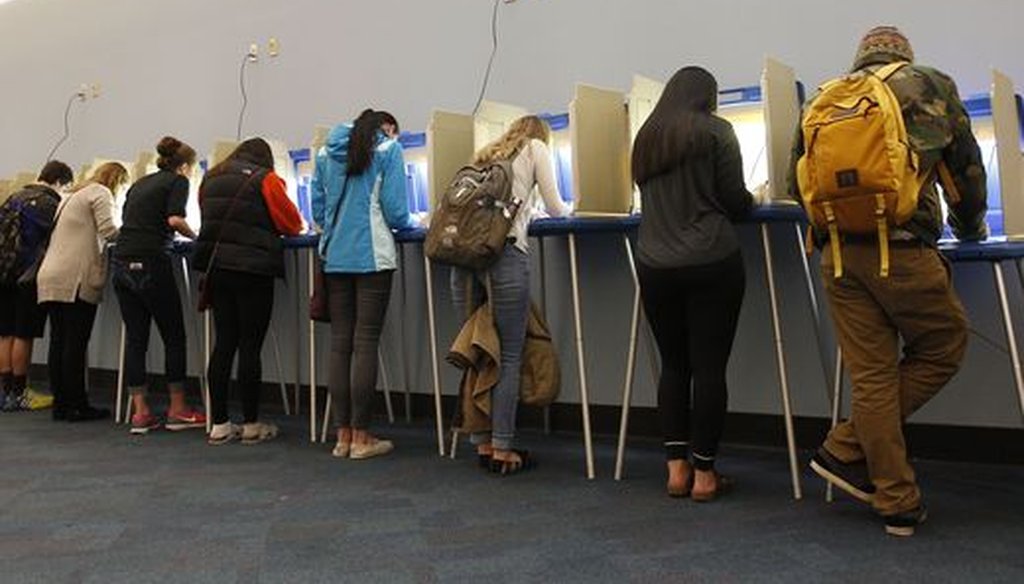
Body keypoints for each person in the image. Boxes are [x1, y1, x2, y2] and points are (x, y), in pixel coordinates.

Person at [789, 26, 988, 536]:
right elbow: (966, 171)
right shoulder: (928, 85)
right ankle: (844, 445)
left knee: (873, 377)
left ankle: (897, 500)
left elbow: (797, 183)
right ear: (904, 56)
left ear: (860, 59)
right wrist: (970, 228)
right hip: (901, 250)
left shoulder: (825, 98)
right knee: (945, 345)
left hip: (837, 256)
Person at [631, 66, 754, 501]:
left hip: (653, 263)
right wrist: (755, 197)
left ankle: (676, 471)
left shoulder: (646, 139)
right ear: (707, 97)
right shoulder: (716, 131)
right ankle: (705, 474)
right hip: (711, 259)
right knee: (708, 368)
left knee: (674, 365)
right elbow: (736, 201)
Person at [450, 115, 571, 474]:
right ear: (541, 136)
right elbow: (555, 206)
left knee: (481, 351)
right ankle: (503, 448)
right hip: (504, 255)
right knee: (510, 353)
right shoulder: (536, 149)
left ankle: (482, 442)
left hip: (463, 260)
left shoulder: (486, 155)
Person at [311, 109, 411, 460]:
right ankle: (363, 437)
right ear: (386, 128)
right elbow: (397, 211)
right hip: (372, 257)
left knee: (341, 345)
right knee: (365, 342)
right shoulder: (387, 150)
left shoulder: (325, 151)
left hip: (335, 256)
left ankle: (342, 437)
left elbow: (317, 207)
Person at [193, 138, 302, 445]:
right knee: (250, 345)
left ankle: (219, 424)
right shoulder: (265, 179)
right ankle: (252, 423)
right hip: (253, 269)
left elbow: (206, 216)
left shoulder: (210, 177)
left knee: (224, 342)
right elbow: (291, 223)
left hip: (218, 271)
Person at [112, 136, 206, 435]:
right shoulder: (178, 182)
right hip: (153, 261)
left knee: (136, 339)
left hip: (123, 262)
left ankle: (140, 413)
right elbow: (175, 220)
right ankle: (178, 409)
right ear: (185, 166)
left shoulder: (141, 183)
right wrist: (197, 238)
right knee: (174, 336)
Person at [37, 162, 130, 421]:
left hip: (51, 274)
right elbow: (109, 231)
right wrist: (135, 231)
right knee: (75, 343)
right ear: (119, 181)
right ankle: (78, 404)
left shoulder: (72, 195)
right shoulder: (101, 193)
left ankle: (62, 404)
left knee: (59, 341)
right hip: (75, 277)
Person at [0, 160, 74, 411]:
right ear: (60, 182)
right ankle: (20, 393)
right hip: (29, 276)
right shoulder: (49, 203)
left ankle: (4, 391)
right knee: (24, 333)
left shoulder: (14, 196)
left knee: (5, 332)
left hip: (4, 273)